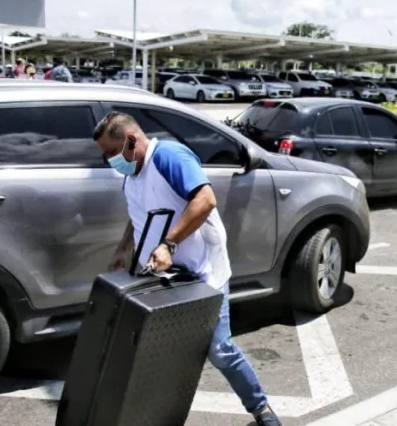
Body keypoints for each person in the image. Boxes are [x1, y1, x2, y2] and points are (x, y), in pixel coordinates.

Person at [92, 112, 282, 426]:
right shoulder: (131, 173)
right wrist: (124, 248)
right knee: (160, 352)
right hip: (162, 277)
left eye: (111, 152)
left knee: (219, 349)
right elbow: (138, 213)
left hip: (201, 272)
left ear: (131, 140)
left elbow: (205, 200)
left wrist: (168, 244)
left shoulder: (168, 156)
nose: (109, 161)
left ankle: (260, 409)